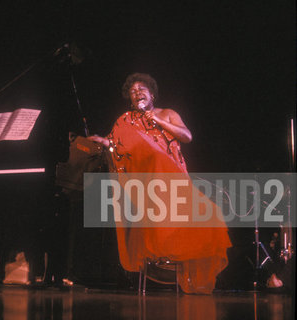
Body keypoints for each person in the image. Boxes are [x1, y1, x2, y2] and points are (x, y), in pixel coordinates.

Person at [89, 73, 232, 294]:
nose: (137, 92)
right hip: (147, 185)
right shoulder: (125, 120)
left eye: (141, 89)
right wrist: (102, 140)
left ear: (152, 94)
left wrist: (159, 121)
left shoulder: (168, 113)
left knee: (208, 214)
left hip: (175, 180)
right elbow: (116, 145)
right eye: (133, 91)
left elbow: (187, 136)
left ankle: (191, 275)